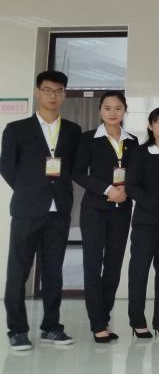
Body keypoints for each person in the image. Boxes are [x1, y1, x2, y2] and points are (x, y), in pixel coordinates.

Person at [2, 71, 81, 351]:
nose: (52, 96)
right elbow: (7, 167)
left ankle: (51, 327)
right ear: (37, 92)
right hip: (27, 210)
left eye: (58, 91)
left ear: (64, 95)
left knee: (53, 272)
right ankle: (17, 330)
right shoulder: (16, 129)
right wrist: (30, 190)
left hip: (58, 211)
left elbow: (74, 167)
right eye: (47, 90)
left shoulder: (72, 130)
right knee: (18, 271)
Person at [73, 91, 138, 343]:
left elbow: (136, 174)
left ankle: (105, 318)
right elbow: (78, 173)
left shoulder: (132, 141)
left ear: (124, 110)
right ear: (100, 110)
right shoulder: (88, 139)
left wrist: (127, 190)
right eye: (108, 108)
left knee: (113, 265)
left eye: (118, 108)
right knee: (93, 264)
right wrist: (108, 189)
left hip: (122, 210)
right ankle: (97, 323)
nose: (113, 112)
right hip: (95, 210)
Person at [125, 107, 159, 340]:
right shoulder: (140, 152)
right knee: (139, 272)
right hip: (146, 223)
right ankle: (138, 321)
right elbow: (132, 187)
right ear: (150, 125)